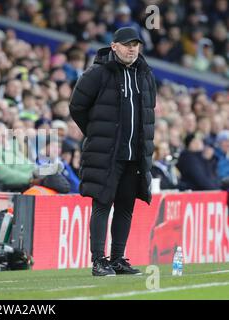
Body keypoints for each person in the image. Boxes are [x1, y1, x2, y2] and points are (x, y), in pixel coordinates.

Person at [69, 27, 156, 276]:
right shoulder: (98, 73)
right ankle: (98, 260)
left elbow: (149, 112)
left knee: (125, 207)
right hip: (107, 154)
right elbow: (77, 106)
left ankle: (118, 259)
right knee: (102, 205)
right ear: (114, 46)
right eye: (127, 44)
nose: (132, 49)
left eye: (135, 44)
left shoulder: (145, 74)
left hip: (134, 155)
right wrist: (98, 134)